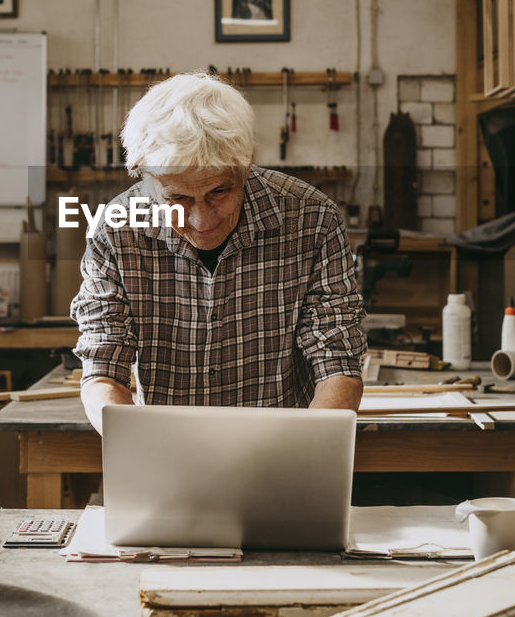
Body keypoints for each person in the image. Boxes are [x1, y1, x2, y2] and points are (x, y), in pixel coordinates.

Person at [71, 71, 365, 434]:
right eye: (178, 198)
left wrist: (305, 452)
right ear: (144, 176)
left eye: (219, 193)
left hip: (284, 450)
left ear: (246, 164)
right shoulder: (115, 231)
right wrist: (136, 444)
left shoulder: (312, 219)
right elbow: (102, 369)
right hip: (166, 449)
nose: (200, 219)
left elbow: (337, 365)